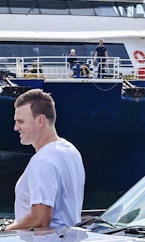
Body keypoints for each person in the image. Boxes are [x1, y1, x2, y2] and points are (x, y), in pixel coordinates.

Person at [5, 89, 85, 231]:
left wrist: (5, 232)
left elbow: (40, 219)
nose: (16, 127)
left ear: (40, 120)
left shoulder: (43, 160)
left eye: (20, 121)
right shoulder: (71, 151)